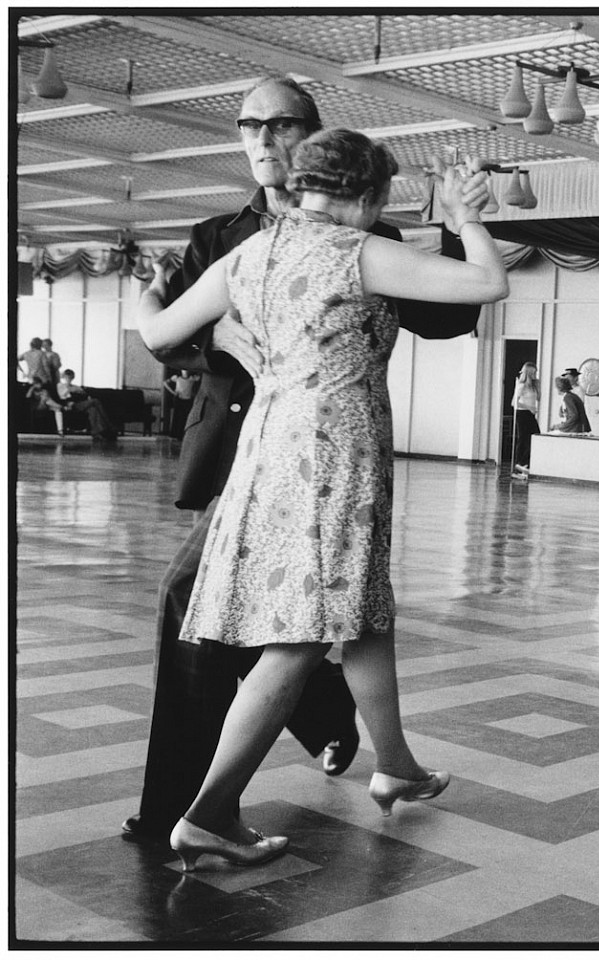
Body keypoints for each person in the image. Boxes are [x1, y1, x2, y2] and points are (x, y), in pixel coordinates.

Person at [122, 75, 487, 847]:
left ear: (307, 147)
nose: (260, 139)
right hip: (309, 459)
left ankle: (389, 760)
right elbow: (484, 287)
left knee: (352, 614)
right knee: (274, 629)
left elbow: (154, 330)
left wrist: (159, 303)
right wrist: (215, 337)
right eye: (248, 124)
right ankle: (197, 812)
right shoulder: (267, 239)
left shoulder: (290, 248)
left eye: (277, 125)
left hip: (275, 451)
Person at [56, 368, 119, 440]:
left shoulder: (76, 387)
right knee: (95, 401)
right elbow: (62, 396)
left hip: (80, 403)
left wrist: (77, 391)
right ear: (64, 377)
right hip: (71, 405)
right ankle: (109, 425)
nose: (69, 378)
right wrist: (70, 389)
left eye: (70, 377)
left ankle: (96, 433)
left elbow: (84, 395)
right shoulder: (60, 385)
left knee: (93, 410)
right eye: (67, 376)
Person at [510, 361, 540, 478]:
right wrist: (529, 408)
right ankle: (520, 464)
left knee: (534, 437)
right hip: (522, 414)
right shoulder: (521, 386)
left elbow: (539, 398)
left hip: (530, 414)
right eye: (533, 372)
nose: (535, 375)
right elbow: (514, 403)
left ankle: (524, 464)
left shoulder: (533, 386)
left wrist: (538, 387)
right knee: (523, 438)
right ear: (528, 373)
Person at [163, 369, 200, 438]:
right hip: (178, 399)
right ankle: (174, 434)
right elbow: (165, 383)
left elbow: (200, 377)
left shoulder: (192, 378)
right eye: (183, 370)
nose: (185, 371)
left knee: (185, 417)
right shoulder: (177, 378)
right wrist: (173, 392)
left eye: (186, 370)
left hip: (187, 400)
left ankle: (182, 434)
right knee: (177, 416)